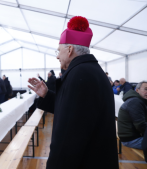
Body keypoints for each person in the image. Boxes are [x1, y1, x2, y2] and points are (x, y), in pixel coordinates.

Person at [28, 16, 118, 169]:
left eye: (58, 50)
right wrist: (46, 94)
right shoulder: (88, 70)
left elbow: (68, 135)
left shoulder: (80, 75)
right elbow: (73, 110)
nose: (57, 56)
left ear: (69, 49)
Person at [118, 81, 147, 150]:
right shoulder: (135, 102)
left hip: (132, 136)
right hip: (131, 139)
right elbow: (141, 125)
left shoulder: (139, 100)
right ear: (137, 90)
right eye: (146, 89)